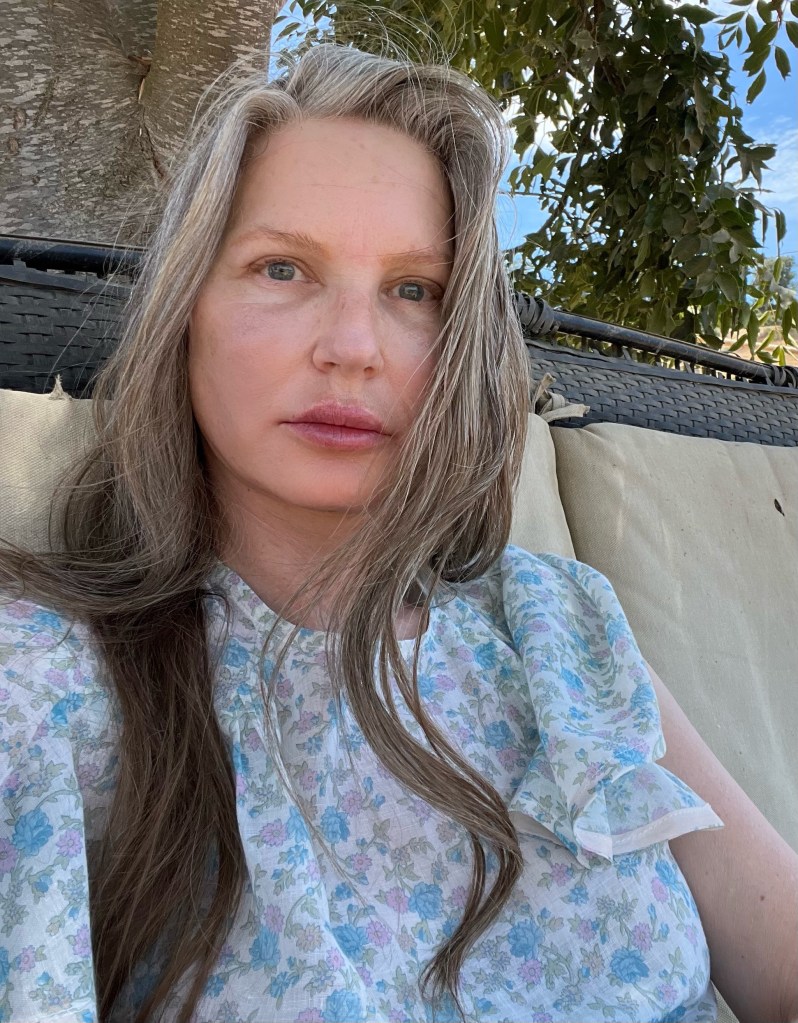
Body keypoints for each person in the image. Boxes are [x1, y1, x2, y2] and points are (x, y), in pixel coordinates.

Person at [0, 42, 796, 1023]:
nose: (353, 348)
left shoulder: (558, 623)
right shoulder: (44, 681)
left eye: (414, 289)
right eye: (282, 268)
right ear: (186, 312)